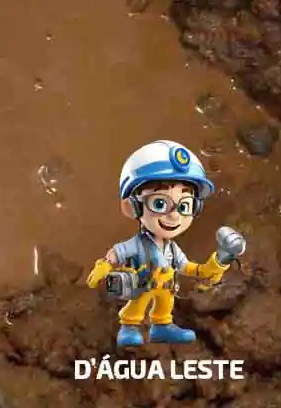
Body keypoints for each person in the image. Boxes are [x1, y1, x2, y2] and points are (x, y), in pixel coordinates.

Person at [86, 140, 230, 347]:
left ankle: (162, 325)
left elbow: (189, 268)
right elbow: (117, 252)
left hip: (166, 287)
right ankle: (129, 326)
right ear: (132, 207)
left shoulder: (172, 249)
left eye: (184, 206)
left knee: (165, 303)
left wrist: (215, 265)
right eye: (160, 203)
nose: (174, 216)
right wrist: (105, 265)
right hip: (143, 285)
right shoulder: (139, 244)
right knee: (138, 304)